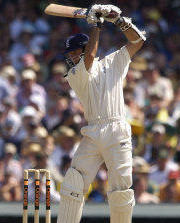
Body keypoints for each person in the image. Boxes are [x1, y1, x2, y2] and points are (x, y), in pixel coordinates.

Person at [56, 4, 146, 223]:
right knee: (73, 182)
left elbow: (138, 41)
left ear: (84, 48)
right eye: (70, 54)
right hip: (93, 130)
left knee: (121, 189)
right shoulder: (74, 74)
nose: (72, 58)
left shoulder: (113, 61)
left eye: (75, 52)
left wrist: (119, 20)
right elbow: (90, 57)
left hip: (117, 129)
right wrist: (97, 25)